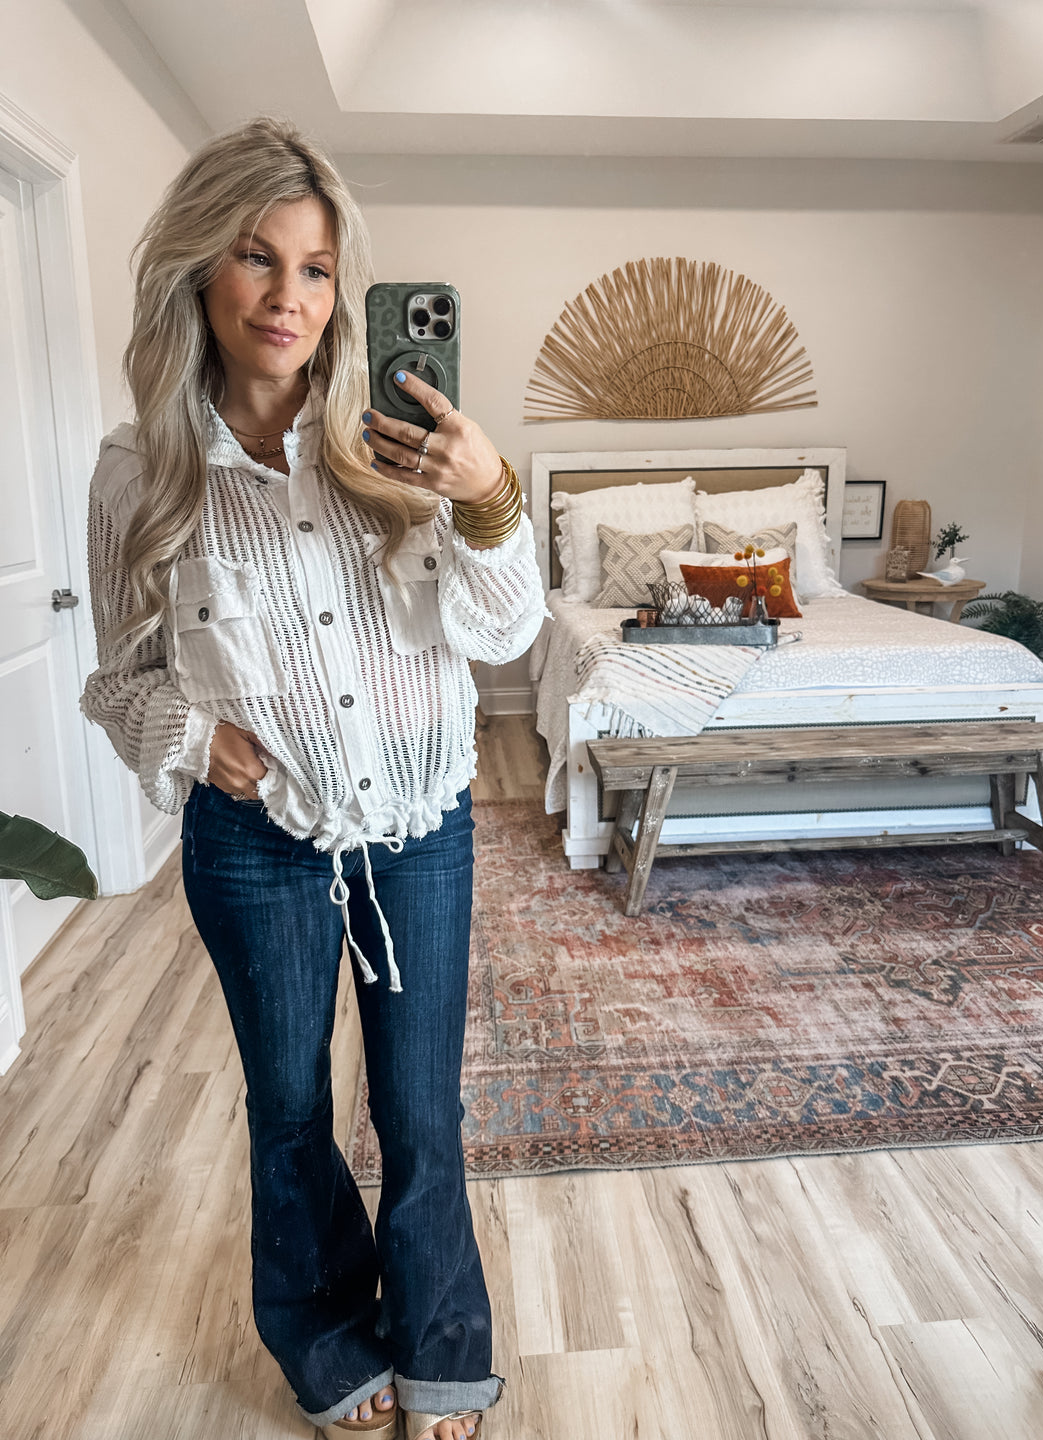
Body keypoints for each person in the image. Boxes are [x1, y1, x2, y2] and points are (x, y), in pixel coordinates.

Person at [80, 117, 545, 1440]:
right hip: (256, 841)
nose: (289, 296)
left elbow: (504, 631)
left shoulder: (402, 450)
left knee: (420, 1108)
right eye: (257, 256)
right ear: (197, 270)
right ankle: (329, 1342)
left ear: (346, 289)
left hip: (420, 824)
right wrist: (196, 739)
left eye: (319, 268)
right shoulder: (140, 473)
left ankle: (443, 1345)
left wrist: (489, 496)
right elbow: (119, 679)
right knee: (289, 1114)